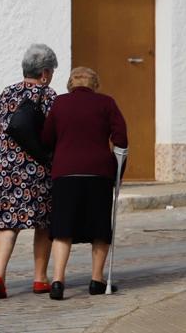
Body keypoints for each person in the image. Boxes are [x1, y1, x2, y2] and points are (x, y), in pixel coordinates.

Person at [40, 67, 128, 300]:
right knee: (100, 228)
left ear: (71, 84)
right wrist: (118, 173)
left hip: (65, 173)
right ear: (95, 84)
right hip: (99, 174)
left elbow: (47, 138)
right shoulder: (106, 103)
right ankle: (97, 280)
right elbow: (121, 139)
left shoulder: (60, 103)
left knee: (62, 229)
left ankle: (58, 281)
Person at [0, 43, 58, 299]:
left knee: (8, 223)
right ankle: (40, 278)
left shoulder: (8, 92)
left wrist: (9, 144)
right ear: (45, 73)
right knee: (44, 223)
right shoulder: (49, 96)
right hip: (37, 169)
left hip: (5, 167)